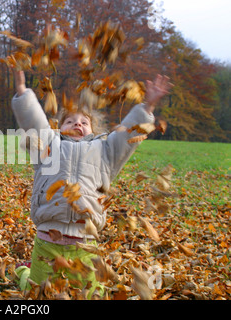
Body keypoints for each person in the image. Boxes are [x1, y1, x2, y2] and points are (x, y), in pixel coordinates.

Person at [11, 70, 172, 297]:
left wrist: (147, 107)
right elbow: (34, 123)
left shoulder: (105, 151)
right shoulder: (49, 146)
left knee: (90, 294)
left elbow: (127, 136)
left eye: (84, 122)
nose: (77, 124)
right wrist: (22, 93)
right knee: (38, 294)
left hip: (84, 243)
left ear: (93, 130)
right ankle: (24, 274)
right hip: (48, 238)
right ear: (59, 127)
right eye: (70, 121)